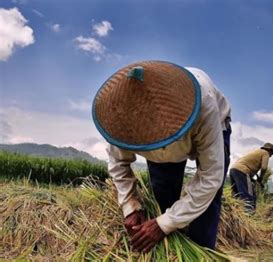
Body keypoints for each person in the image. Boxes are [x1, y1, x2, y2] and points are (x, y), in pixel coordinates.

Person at [92, 61, 231, 252]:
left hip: (214, 125)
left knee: (205, 211)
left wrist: (162, 225)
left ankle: (201, 251)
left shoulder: (204, 105)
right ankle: (172, 250)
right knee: (163, 195)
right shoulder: (120, 118)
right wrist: (131, 207)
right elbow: (118, 164)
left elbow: (210, 177)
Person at [229, 142, 273, 211]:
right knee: (248, 196)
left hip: (233, 170)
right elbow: (264, 168)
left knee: (236, 195)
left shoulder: (256, 152)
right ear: (270, 151)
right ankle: (249, 215)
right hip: (243, 171)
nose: (271, 156)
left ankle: (234, 213)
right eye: (272, 154)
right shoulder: (265, 153)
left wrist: (253, 179)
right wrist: (261, 178)